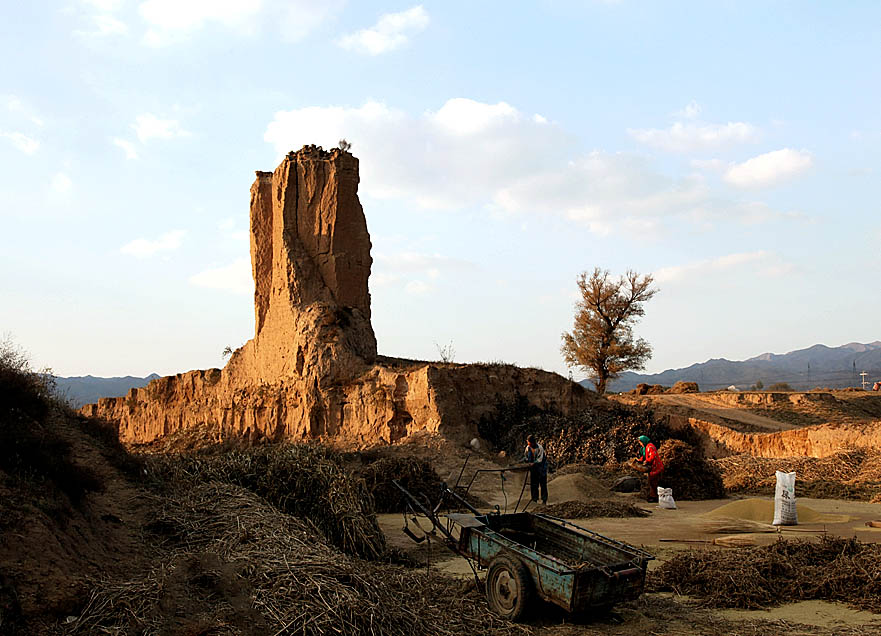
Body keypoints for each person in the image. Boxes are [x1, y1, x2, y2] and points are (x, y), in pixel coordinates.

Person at [636, 435, 664, 503]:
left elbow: (653, 456)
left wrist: (647, 461)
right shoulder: (645, 448)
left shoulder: (650, 446)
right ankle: (653, 496)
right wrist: (639, 460)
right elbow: (644, 456)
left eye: (641, 442)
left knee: (653, 482)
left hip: (656, 467)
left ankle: (654, 497)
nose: (641, 444)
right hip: (652, 468)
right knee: (651, 482)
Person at [524, 434, 548, 505]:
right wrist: (526, 460)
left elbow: (540, 459)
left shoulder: (540, 448)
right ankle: (534, 500)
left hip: (541, 469)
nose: (527, 443)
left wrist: (533, 463)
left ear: (532, 442)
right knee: (534, 485)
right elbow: (525, 456)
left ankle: (544, 500)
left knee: (543, 485)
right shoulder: (528, 447)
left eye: (528, 441)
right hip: (533, 470)